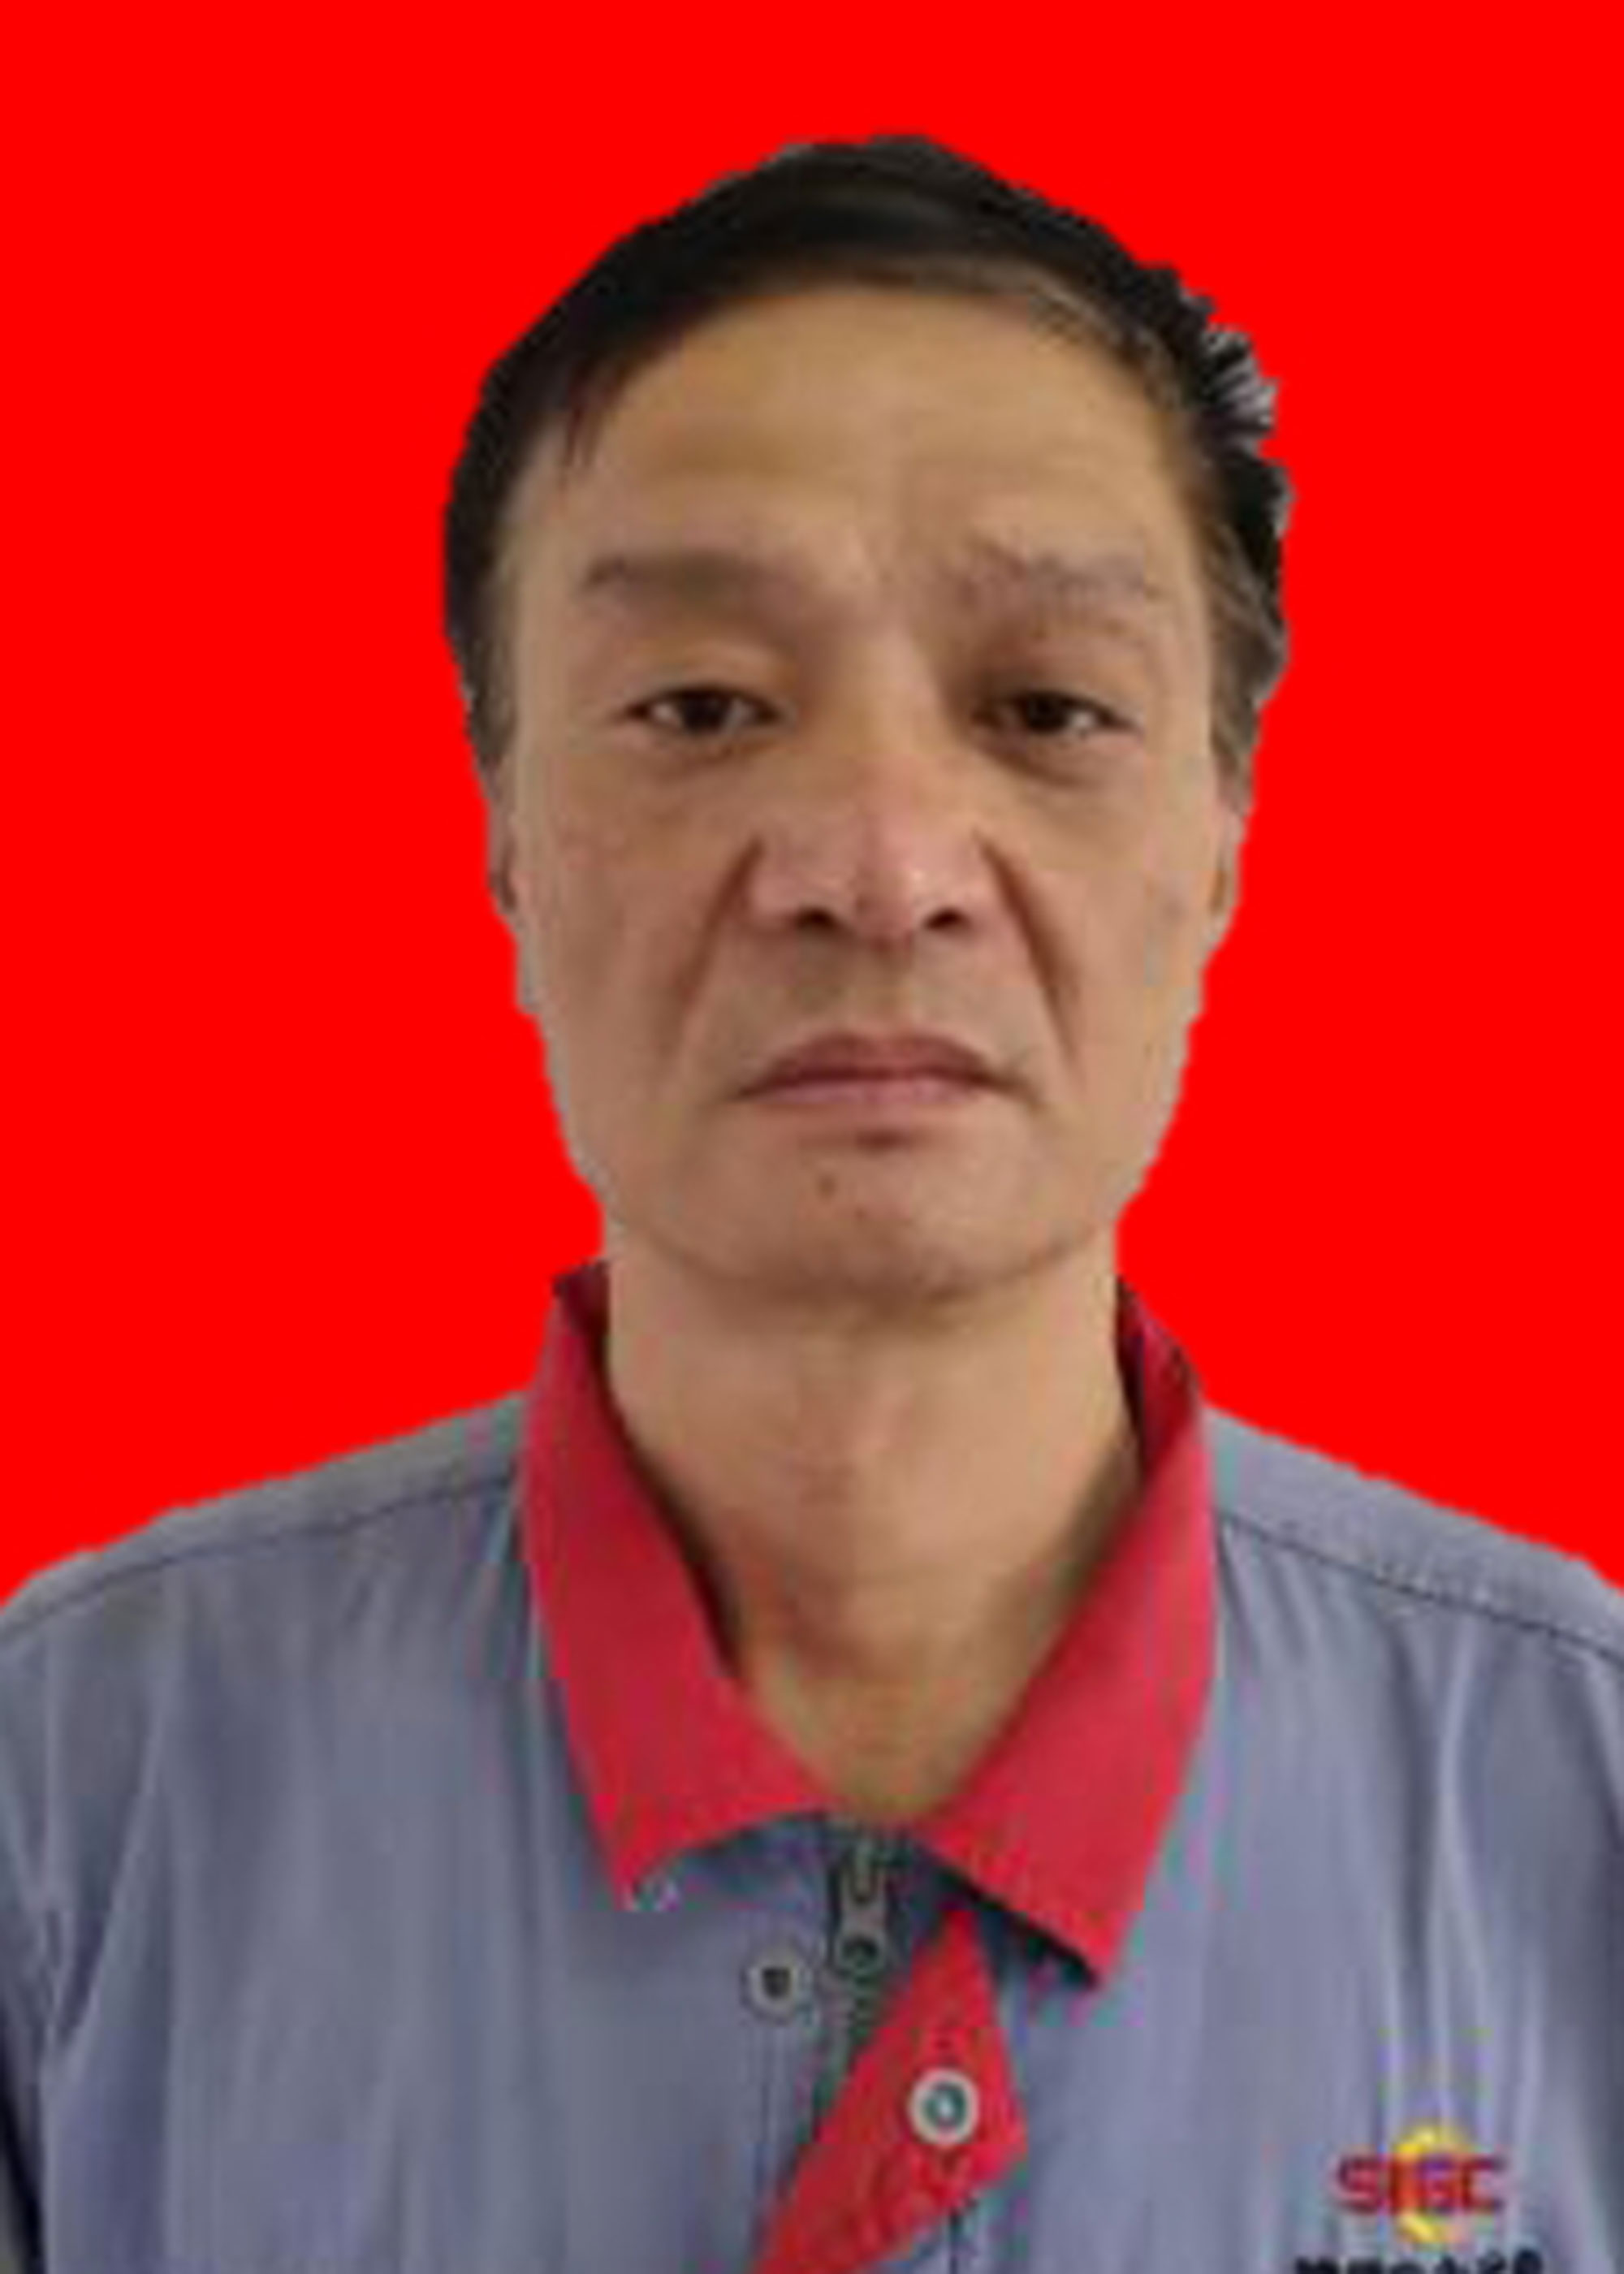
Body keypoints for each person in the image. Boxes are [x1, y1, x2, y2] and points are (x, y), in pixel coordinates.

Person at [0, 135, 1616, 2274]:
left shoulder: (1577, 1796)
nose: (878, 864)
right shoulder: (73, 1792)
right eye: (700, 706)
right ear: (502, 831)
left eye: (1048, 708)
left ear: (1223, 836)